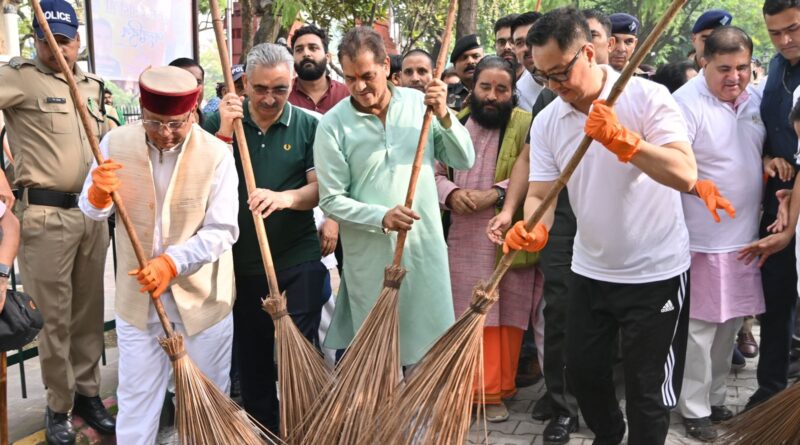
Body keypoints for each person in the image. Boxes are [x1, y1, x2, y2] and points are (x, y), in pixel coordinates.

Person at [506, 8, 727, 443]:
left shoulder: (647, 97)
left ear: (588, 52)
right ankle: (609, 435)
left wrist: (624, 141)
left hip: (656, 273)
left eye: (560, 73)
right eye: (544, 77)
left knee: (648, 394)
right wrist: (534, 225)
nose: (555, 86)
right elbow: (542, 193)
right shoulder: (550, 118)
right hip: (590, 270)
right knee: (584, 376)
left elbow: (684, 173)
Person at [79, 66, 238, 444]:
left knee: (207, 399)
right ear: (142, 111)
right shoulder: (114, 142)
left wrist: (172, 263)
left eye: (176, 125)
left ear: (193, 112)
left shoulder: (216, 153)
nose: (165, 134)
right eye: (154, 123)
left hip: (203, 301)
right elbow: (92, 209)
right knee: (136, 399)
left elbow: (224, 229)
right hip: (138, 301)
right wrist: (98, 195)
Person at [315, 26, 474, 366]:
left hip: (424, 249)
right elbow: (331, 199)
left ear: (387, 66)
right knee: (377, 359)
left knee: (429, 354)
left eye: (367, 76)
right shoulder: (332, 124)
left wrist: (445, 114)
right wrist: (381, 216)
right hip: (370, 259)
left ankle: (425, 420)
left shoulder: (421, 105)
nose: (359, 86)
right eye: (350, 77)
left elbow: (464, 160)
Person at [0, 1, 116, 442]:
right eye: (47, 40)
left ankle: (88, 393)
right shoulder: (19, 78)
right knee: (54, 319)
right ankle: (58, 404)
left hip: (90, 212)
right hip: (45, 217)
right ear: (35, 38)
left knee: (88, 314)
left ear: (77, 41)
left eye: (64, 40)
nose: (56, 49)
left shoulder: (91, 85)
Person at [203, 43, 327, 432]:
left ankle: (305, 423)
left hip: (297, 254)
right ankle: (266, 431)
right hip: (243, 261)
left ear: (292, 81)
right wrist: (223, 133)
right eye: (260, 89)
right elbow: (201, 183)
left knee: (301, 349)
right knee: (253, 355)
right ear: (243, 84)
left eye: (280, 89)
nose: (270, 99)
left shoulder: (309, 125)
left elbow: (319, 189)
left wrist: (285, 198)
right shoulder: (220, 124)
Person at [436, 56, 540, 423]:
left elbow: (538, 171)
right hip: (461, 236)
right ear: (472, 88)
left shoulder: (527, 124)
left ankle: (495, 393)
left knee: (504, 314)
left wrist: (495, 194)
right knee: (462, 312)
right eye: (486, 87)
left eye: (502, 89)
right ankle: (462, 393)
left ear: (513, 92)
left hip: (506, 233)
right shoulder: (453, 123)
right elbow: (431, 171)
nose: (493, 96)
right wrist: (450, 192)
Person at [672, 26, 764, 442]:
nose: (735, 77)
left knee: (730, 324)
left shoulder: (755, 100)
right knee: (699, 329)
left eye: (742, 67)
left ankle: (715, 398)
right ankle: (692, 409)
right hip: (701, 239)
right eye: (724, 68)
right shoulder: (684, 104)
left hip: (744, 238)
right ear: (703, 62)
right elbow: (673, 169)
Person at [738, 0, 800, 410]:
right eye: (775, 33)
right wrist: (765, 158)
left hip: (793, 202)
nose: (785, 40)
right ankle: (771, 391)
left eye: (793, 29)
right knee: (776, 296)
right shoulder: (775, 69)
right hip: (778, 198)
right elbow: (758, 126)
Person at [511, 12, 544, 111]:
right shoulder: (518, 95)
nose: (527, 47)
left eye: (533, 38)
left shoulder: (573, 79)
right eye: (519, 43)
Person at [448, 34, 484, 110]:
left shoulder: (496, 91)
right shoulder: (445, 94)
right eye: (463, 58)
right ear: (454, 66)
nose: (470, 61)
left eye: (476, 56)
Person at [169, 57, 205, 124]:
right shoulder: (156, 127)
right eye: (185, 82)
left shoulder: (214, 123)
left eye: (198, 82)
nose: (194, 89)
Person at [494, 14, 522, 78]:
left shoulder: (541, 82)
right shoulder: (489, 82)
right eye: (501, 42)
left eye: (512, 41)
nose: (507, 47)